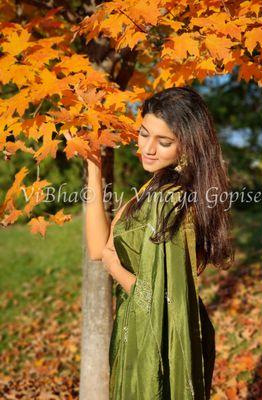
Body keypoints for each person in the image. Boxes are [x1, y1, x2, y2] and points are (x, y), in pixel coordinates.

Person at [86, 86, 235, 399]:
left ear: (187, 146)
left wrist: (115, 267)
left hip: (162, 337)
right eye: (143, 135)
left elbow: (154, 298)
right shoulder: (152, 187)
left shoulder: (172, 202)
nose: (148, 148)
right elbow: (99, 247)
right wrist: (93, 166)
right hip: (139, 329)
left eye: (163, 141)